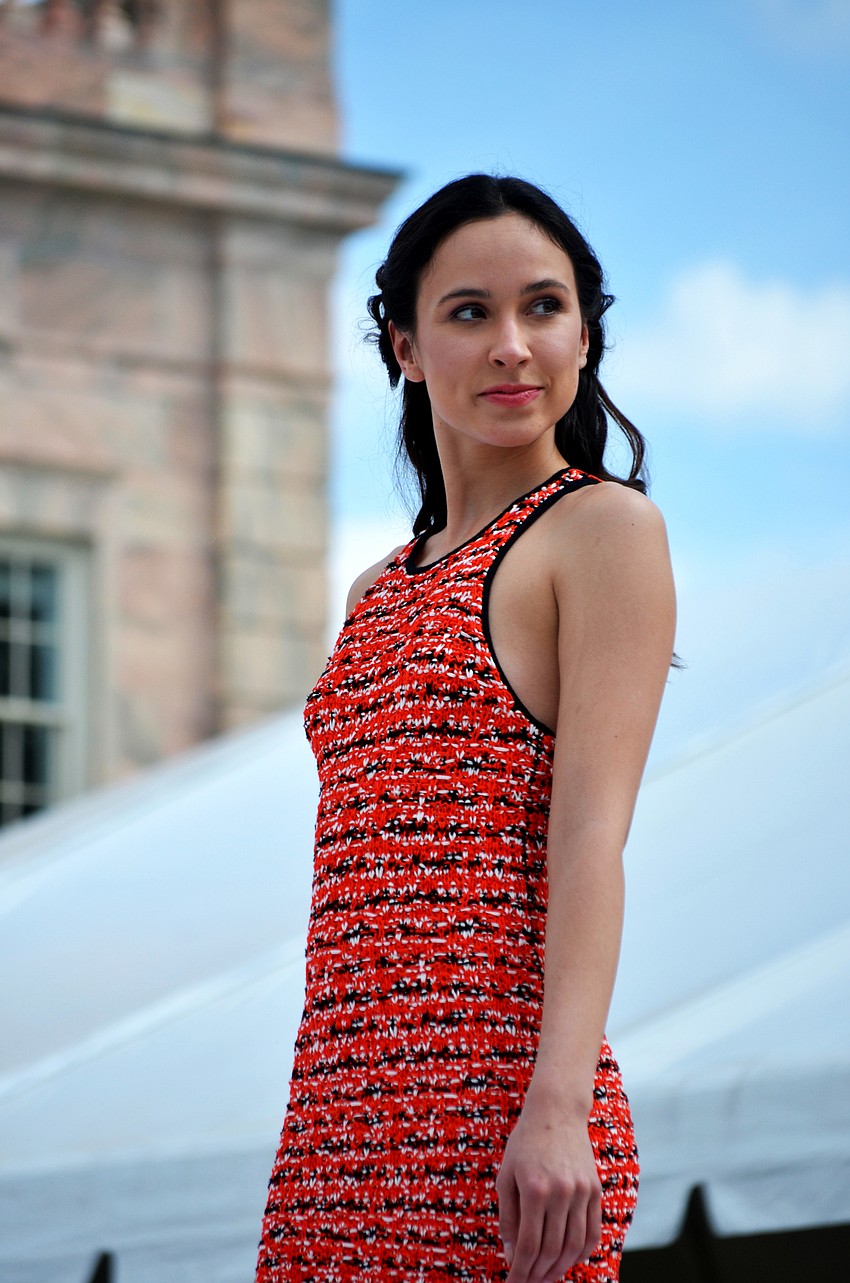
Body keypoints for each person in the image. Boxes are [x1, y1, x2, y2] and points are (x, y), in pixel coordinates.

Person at [256, 174, 676, 1283]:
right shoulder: (373, 591)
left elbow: (590, 837)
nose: (511, 345)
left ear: (586, 333)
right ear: (402, 344)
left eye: (543, 306)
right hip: (338, 1120)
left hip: (500, 1113)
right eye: (468, 311)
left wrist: (557, 1105)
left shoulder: (601, 531)